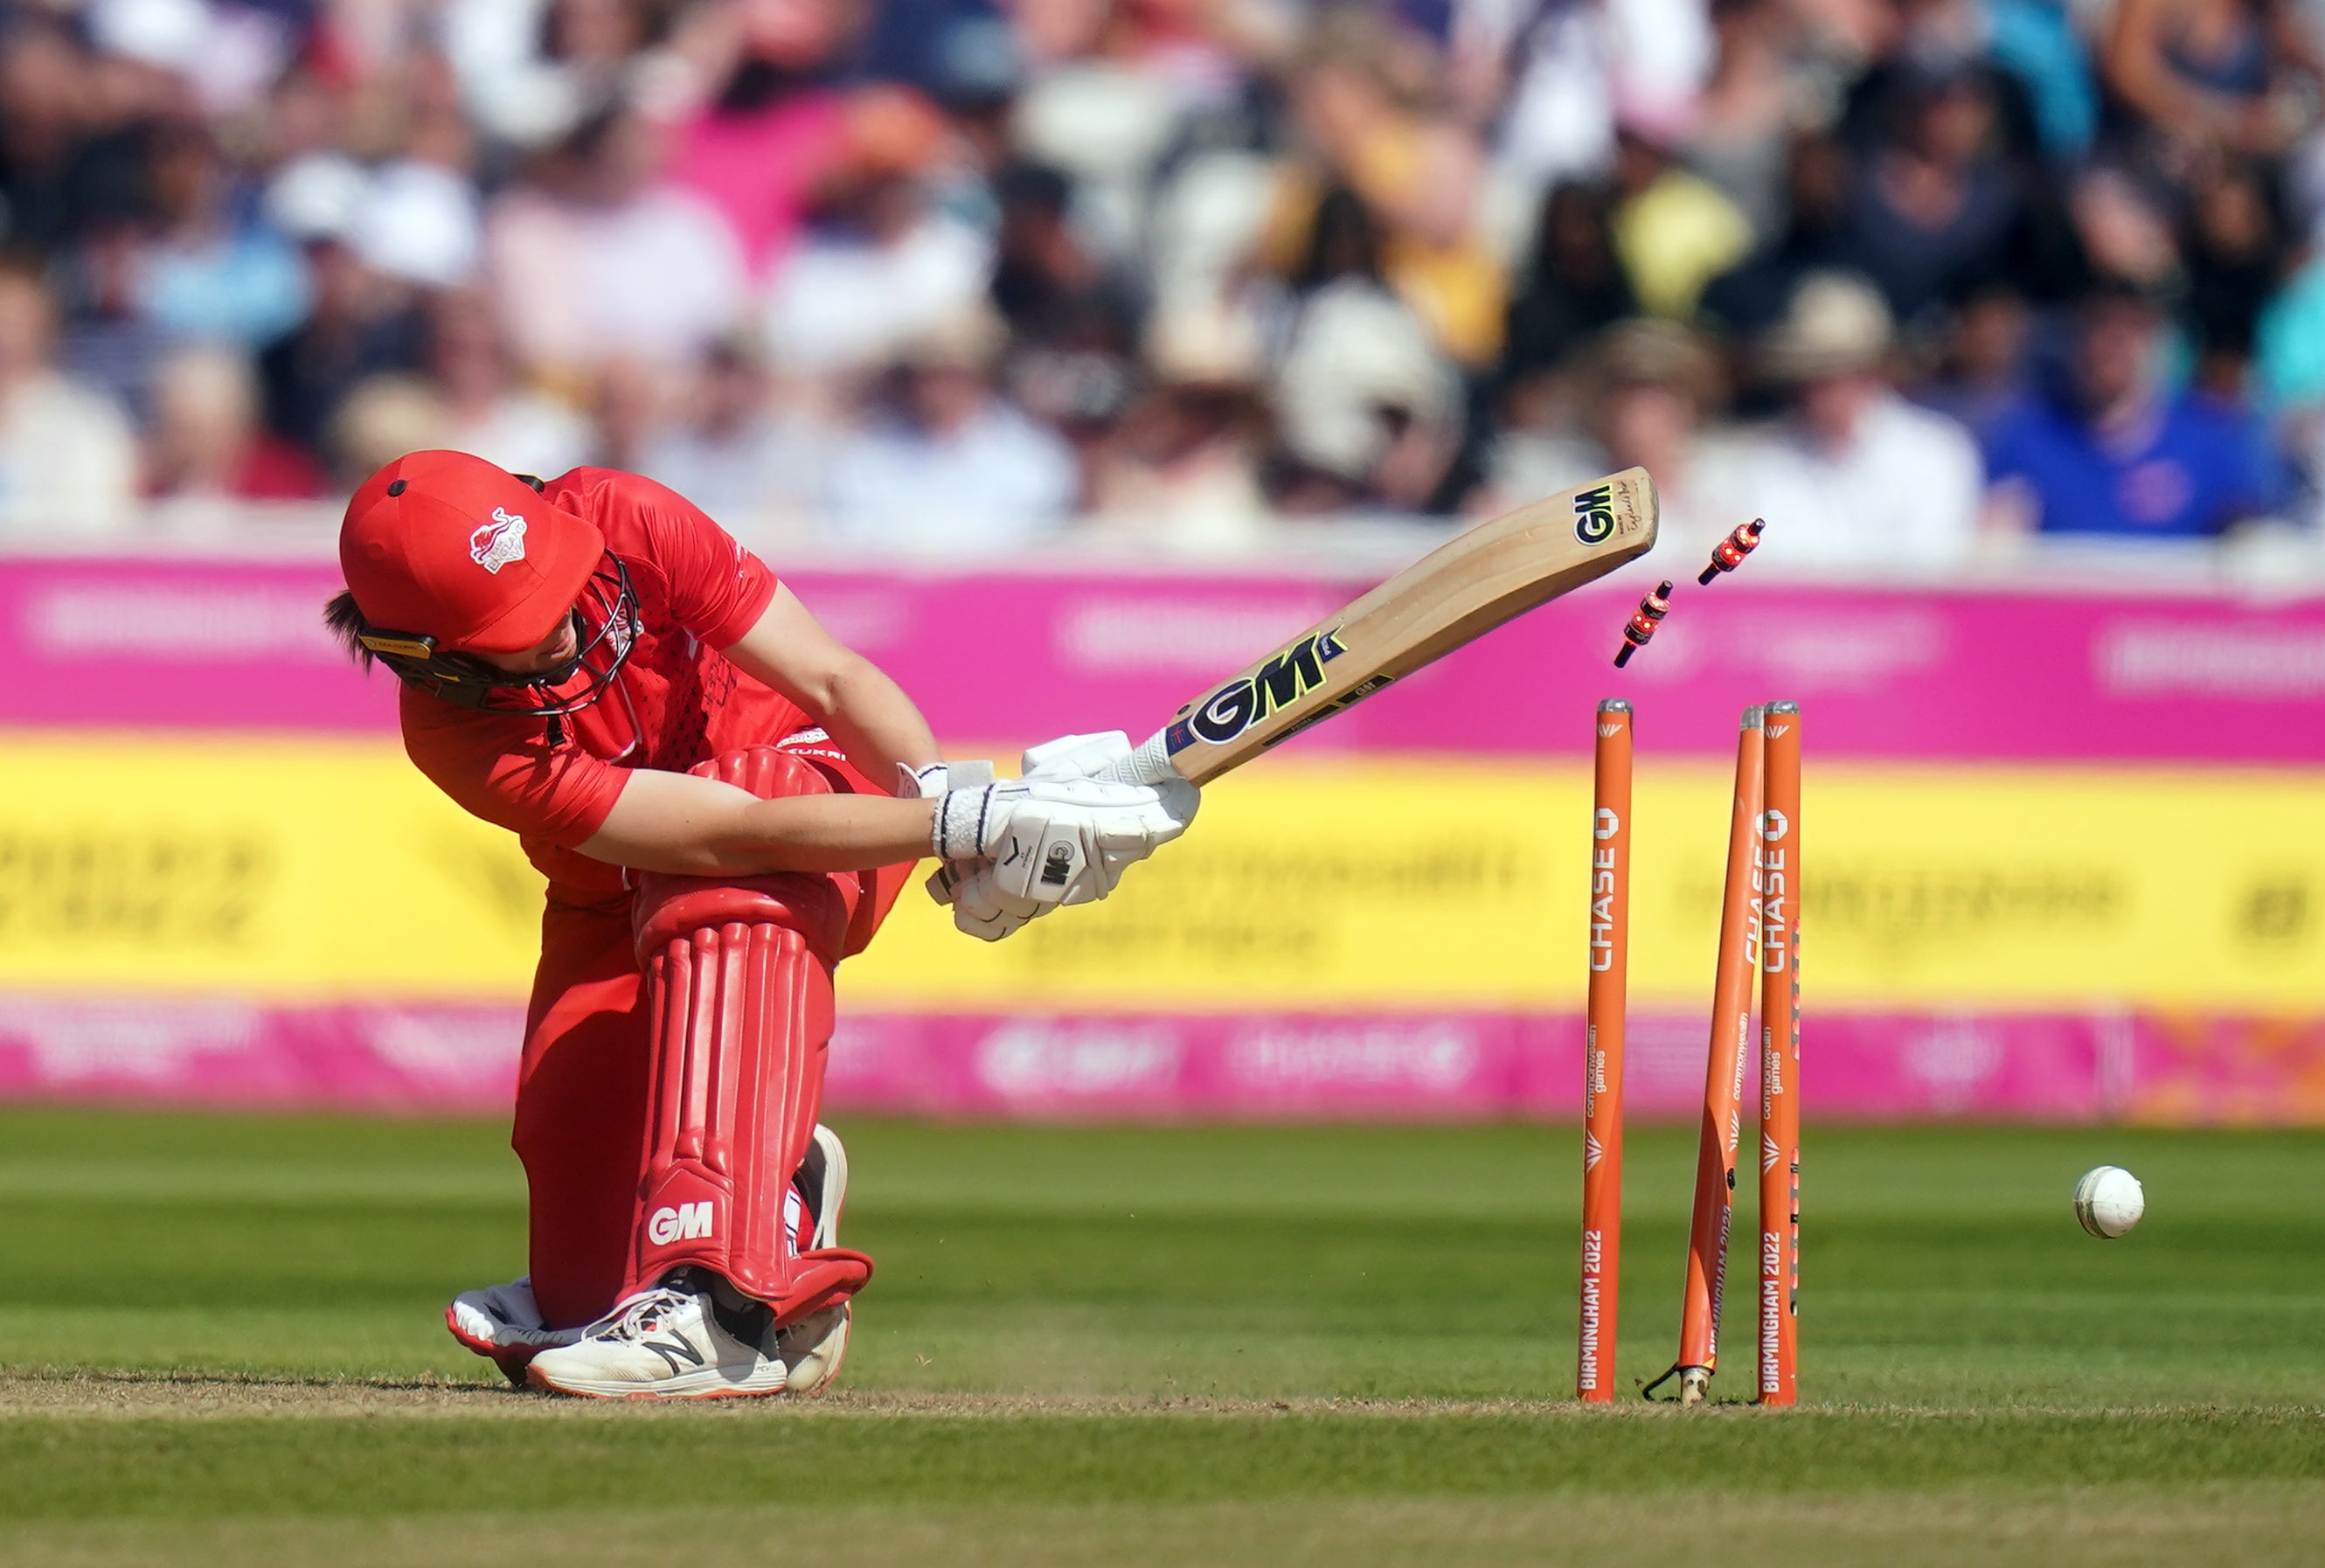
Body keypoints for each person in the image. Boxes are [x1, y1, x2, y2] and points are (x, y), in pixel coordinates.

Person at [324, 451, 1196, 1398]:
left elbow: (828, 678)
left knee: (736, 852)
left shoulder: (623, 512)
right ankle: (776, 1192)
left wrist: (945, 801)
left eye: (562, 584)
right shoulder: (459, 738)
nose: (571, 623)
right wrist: (963, 823)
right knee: (583, 1285)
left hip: (811, 775)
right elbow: (721, 834)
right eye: (523, 628)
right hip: (643, 872)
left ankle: (724, 1301)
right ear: (433, 661)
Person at [1983, 275, 2287, 538]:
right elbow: (1998, 552)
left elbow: (2249, 537)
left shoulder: (2208, 443)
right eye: (2098, 327)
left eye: (2129, 330)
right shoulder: (2031, 441)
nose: (2110, 345)